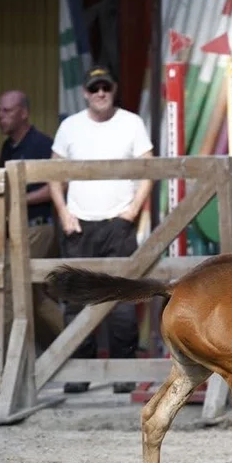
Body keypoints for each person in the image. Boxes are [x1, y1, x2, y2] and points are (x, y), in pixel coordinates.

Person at [48, 65, 153, 394]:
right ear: (85, 92)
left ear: (114, 88)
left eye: (106, 86)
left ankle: (124, 370)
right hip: (79, 225)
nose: (100, 93)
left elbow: (149, 167)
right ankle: (80, 371)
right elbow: (53, 173)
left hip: (117, 224)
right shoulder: (70, 126)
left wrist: (132, 211)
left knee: (122, 301)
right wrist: (64, 212)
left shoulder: (132, 123)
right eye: (94, 88)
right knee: (77, 301)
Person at [0, 90, 64, 352]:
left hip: (39, 227)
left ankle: (4, 357)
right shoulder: (7, 148)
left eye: (7, 111)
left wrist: (18, 200)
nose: (1, 117)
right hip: (16, 230)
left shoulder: (42, 144)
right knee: (33, 295)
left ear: (24, 113)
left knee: (12, 286)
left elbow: (55, 187)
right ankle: (67, 349)